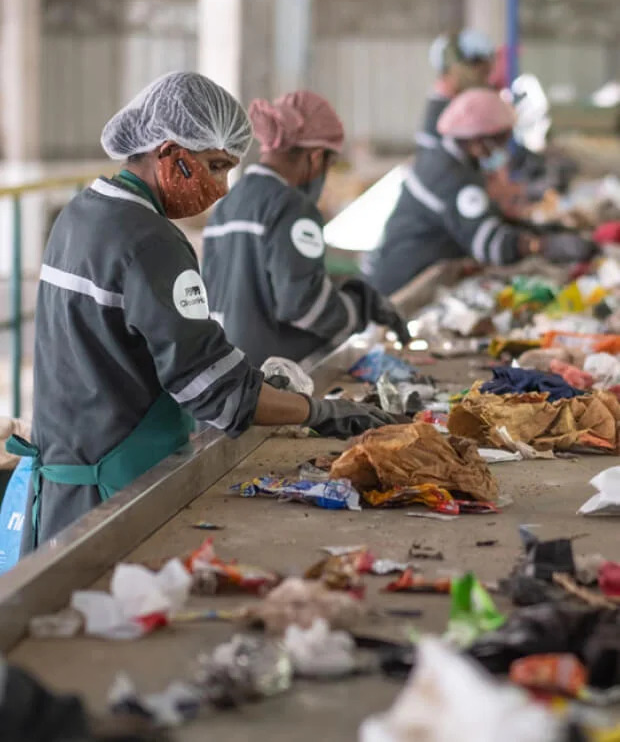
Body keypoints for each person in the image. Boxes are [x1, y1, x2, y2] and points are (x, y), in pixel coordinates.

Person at [9, 72, 395, 553]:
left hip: (67, 486)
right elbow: (220, 393)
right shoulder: (150, 241)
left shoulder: (80, 215)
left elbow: (149, 348)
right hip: (116, 494)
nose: (220, 187)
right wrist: (322, 411)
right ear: (171, 156)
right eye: (214, 166)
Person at [201, 90, 409, 366]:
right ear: (315, 157)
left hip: (229, 366)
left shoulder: (230, 200)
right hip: (276, 376)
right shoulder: (292, 206)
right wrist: (359, 308)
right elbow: (304, 307)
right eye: (330, 164)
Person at [367, 88, 598, 297]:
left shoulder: (449, 159)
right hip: (402, 287)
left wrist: (540, 230)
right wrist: (543, 245)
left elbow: (487, 217)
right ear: (478, 139)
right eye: (500, 140)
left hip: (413, 274)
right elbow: (489, 244)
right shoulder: (452, 176)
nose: (502, 149)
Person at [416, 28, 496, 150]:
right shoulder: (444, 110)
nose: (485, 81)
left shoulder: (456, 104)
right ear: (456, 68)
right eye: (481, 72)